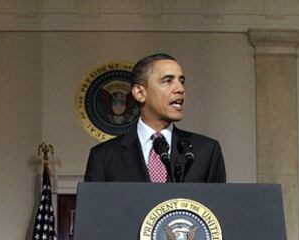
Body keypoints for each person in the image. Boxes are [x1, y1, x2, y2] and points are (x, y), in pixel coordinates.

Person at [84, 53, 226, 183]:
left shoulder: (206, 151)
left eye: (181, 81)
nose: (180, 89)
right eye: (168, 81)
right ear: (139, 93)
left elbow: (218, 207)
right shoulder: (104, 157)